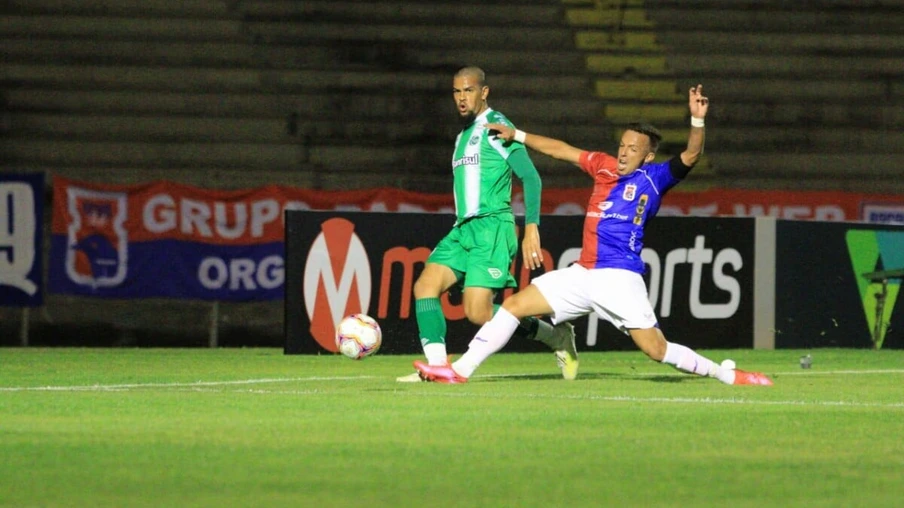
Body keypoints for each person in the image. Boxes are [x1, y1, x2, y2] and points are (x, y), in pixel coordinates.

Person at [414, 84, 773, 386]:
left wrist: (697, 119)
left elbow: (692, 153)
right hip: (582, 273)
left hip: (619, 278)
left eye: (633, 149)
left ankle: (726, 375)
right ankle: (458, 371)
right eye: (622, 145)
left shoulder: (654, 178)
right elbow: (562, 149)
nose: (624, 152)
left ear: (647, 156)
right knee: (513, 305)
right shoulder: (602, 166)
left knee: (656, 350)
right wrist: (518, 135)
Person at [396, 66, 578, 382]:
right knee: (425, 285)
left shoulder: (497, 126)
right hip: (463, 228)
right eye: (456, 91)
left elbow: (531, 177)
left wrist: (531, 226)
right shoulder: (463, 136)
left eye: (468, 90)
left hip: (493, 227)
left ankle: (554, 337)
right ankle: (437, 366)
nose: (461, 98)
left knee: (478, 313)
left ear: (484, 92)